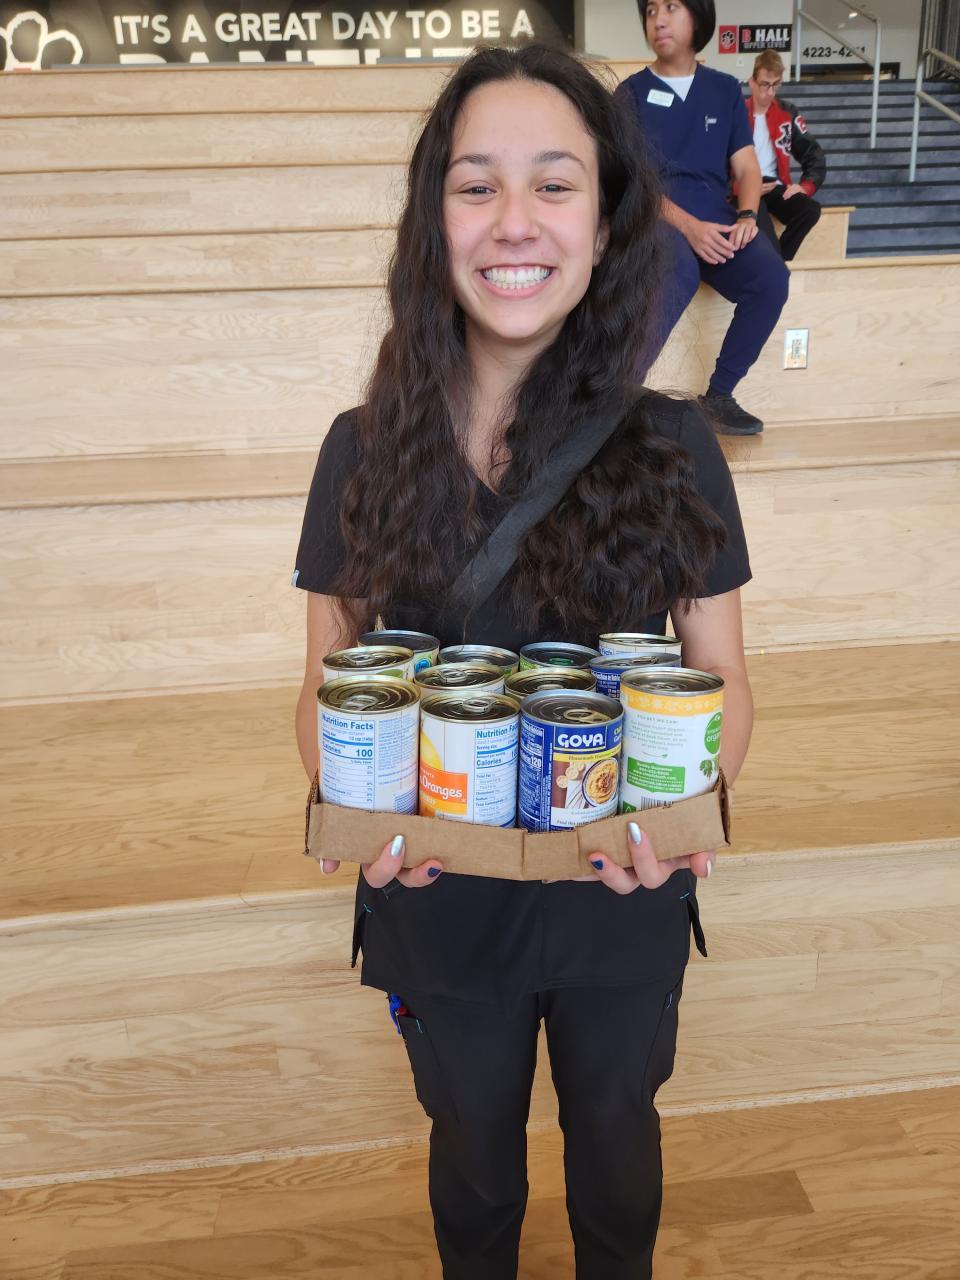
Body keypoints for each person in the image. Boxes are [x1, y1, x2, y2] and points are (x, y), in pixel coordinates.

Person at [294, 43, 754, 1280]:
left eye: (554, 184)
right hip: (439, 887)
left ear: (604, 223)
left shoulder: (674, 445)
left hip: (621, 883)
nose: (514, 220)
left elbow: (719, 671)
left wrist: (687, 810)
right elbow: (327, 674)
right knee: (474, 1155)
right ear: (432, 221)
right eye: (475, 184)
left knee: (617, 1137)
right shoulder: (359, 450)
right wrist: (352, 809)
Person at [618, 0, 790, 436]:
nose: (658, 19)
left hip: (716, 216)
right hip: (656, 217)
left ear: (698, 17)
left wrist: (748, 215)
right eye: (650, 10)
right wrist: (688, 227)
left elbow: (747, 167)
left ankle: (719, 396)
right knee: (678, 268)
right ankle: (616, 402)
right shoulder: (630, 94)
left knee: (771, 278)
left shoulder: (724, 89)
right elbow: (627, 181)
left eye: (671, 7)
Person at [746, 49, 827, 262]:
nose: (770, 92)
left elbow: (813, 154)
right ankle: (777, 267)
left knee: (810, 210)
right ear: (752, 82)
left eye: (776, 85)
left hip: (775, 186)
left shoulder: (787, 113)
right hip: (745, 187)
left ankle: (778, 266)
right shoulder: (736, 114)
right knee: (766, 235)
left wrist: (805, 186)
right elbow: (720, 161)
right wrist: (740, 188)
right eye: (765, 84)